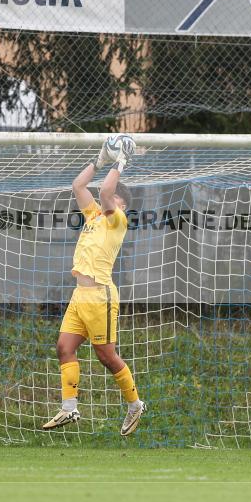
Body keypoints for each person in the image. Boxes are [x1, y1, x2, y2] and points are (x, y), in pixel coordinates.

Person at [42, 137, 146, 436]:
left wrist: (122, 160)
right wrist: (99, 160)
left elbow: (105, 190)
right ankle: (69, 407)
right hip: (80, 295)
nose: (108, 201)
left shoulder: (118, 221)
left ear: (121, 205)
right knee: (64, 347)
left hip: (101, 295)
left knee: (106, 356)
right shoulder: (94, 216)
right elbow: (78, 186)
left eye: (115, 200)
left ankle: (135, 403)